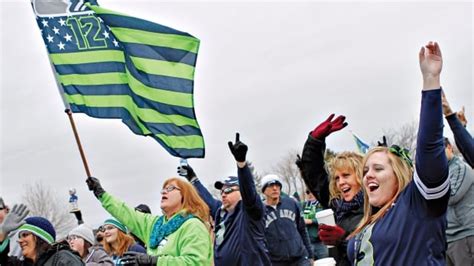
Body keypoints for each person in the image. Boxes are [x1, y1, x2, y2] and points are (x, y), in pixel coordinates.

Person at [346, 41, 450, 265]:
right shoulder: (369, 219)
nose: (368, 176)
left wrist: (430, 82)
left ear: (399, 174)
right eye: (365, 171)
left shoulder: (417, 204)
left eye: (378, 168)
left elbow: (429, 149)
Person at [179, 133, 271, 265]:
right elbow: (207, 199)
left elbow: (249, 192)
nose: (223, 194)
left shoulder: (251, 211)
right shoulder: (220, 212)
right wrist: (193, 179)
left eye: (228, 190)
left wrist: (241, 164)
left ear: (241, 192)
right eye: (221, 191)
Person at [86, 175, 213, 265]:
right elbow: (126, 212)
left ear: (185, 196)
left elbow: (196, 263)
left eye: (170, 188)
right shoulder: (154, 225)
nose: (164, 191)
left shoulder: (193, 225)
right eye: (163, 189)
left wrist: (155, 261)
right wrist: (101, 194)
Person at [298, 115, 364, 265]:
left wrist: (344, 240)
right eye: (337, 178)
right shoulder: (337, 204)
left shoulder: (376, 206)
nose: (341, 182)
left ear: (361, 176)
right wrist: (314, 141)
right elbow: (314, 175)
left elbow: (377, 251)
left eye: (346, 175)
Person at [0, 207, 84, 265]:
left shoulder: (63, 259)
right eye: (20, 237)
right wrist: (2, 233)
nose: (20, 240)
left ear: (40, 238)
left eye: (25, 235)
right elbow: (2, 260)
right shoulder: (26, 264)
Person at [260, 174, 313, 265]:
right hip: (277, 262)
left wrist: (310, 255)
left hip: (300, 258)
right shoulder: (260, 211)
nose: (275, 188)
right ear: (264, 191)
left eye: (277, 185)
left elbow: (302, 230)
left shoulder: (291, 203)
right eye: (271, 186)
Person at [443, 137, 474, 266]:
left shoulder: (461, 167)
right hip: (448, 237)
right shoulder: (440, 173)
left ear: (449, 147)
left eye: (440, 150)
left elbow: (452, 196)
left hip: (464, 234)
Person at [442, 92, 473, 167]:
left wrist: (451, 117)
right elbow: (466, 152)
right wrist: (461, 127)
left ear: (449, 147)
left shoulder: (459, 169)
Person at [302, 190, 328, 260]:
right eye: (307, 192)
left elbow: (323, 219)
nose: (310, 194)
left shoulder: (321, 204)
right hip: (308, 243)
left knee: (324, 262)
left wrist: (310, 221)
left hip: (320, 242)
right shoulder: (304, 205)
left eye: (312, 192)